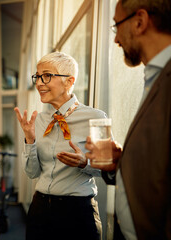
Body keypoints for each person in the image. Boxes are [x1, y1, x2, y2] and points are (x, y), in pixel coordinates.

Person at [85, 0, 171, 239]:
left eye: (116, 26)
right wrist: (121, 162)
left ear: (140, 22)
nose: (115, 39)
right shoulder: (155, 77)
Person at [14, 52, 105, 240]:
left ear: (69, 81)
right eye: (37, 77)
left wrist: (84, 162)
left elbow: (106, 169)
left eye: (46, 76)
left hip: (77, 212)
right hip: (40, 209)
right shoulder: (38, 120)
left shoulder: (96, 118)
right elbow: (32, 173)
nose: (39, 83)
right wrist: (29, 139)